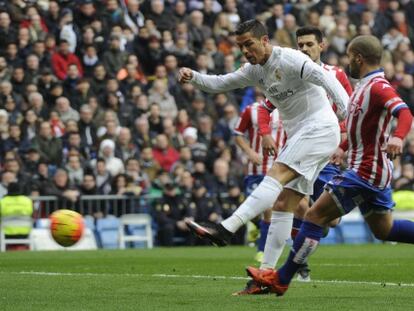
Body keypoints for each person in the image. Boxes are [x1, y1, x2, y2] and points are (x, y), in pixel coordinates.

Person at [247, 35, 414, 297]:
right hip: (369, 169)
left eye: (349, 55)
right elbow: (363, 131)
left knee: (314, 216)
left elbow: (404, 112)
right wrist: (343, 148)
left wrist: (398, 137)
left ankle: (281, 278)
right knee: (385, 229)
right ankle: (282, 276)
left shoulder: (378, 87)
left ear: (358, 57)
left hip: (365, 172)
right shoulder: (361, 87)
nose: (348, 61)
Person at [180, 20, 348, 255]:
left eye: (249, 44)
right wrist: (194, 77)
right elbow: (220, 83)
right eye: (241, 47)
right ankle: (268, 273)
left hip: (319, 128)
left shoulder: (290, 59)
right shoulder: (254, 70)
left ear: (265, 40)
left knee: (275, 175)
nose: (246, 51)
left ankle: (226, 228)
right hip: (302, 134)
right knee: (283, 205)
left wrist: (348, 115)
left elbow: (326, 79)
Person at [238, 26, 354, 294]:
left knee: (327, 220)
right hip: (301, 147)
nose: (303, 49)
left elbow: (349, 109)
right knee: (291, 205)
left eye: (309, 44)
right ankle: (280, 269)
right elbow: (265, 107)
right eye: (300, 44)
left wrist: (343, 144)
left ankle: (300, 245)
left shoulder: (334, 74)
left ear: (321, 46)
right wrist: (265, 134)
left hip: (327, 150)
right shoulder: (287, 68)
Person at [233, 101, 285, 262]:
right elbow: (237, 134)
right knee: (262, 208)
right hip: (256, 169)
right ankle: (256, 224)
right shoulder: (252, 110)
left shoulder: (287, 108)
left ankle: (262, 250)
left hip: (279, 168)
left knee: (270, 207)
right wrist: (250, 152)